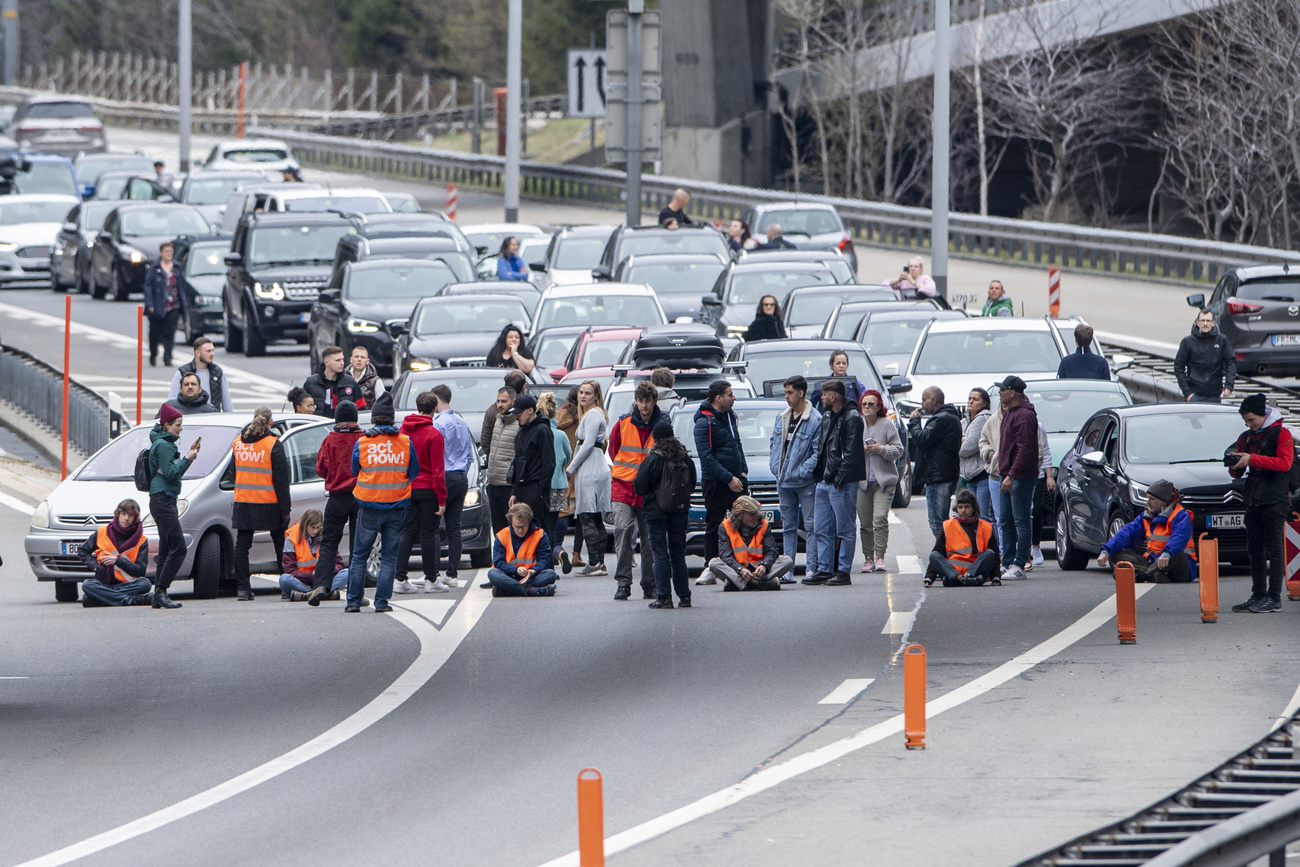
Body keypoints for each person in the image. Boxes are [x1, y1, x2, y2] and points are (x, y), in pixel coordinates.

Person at [347, 392, 419, 614]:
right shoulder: (406, 443)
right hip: (397, 507)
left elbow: (353, 470)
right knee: (389, 557)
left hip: (368, 507)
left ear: (374, 419)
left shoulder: (363, 443)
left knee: (360, 555)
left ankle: (353, 602)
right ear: (392, 419)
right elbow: (414, 473)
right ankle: (382, 603)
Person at [1228, 393, 1294, 613]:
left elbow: (1285, 464)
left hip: (1275, 499)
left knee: (1274, 548)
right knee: (1254, 549)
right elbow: (1237, 474)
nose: (1248, 425)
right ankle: (1258, 595)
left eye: (1251, 420)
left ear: (1263, 415)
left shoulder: (1282, 434)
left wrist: (1252, 459)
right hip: (1253, 499)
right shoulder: (1245, 437)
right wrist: (1234, 463)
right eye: (1245, 422)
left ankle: (1274, 597)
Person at [803, 379, 864, 585]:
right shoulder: (827, 415)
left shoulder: (852, 417)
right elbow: (822, 448)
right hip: (824, 481)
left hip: (842, 482)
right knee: (821, 527)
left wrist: (837, 479)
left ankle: (844, 571)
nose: (821, 398)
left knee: (845, 528)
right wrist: (820, 476)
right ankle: (825, 568)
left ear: (833, 396)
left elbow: (852, 454)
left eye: (824, 394)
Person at [307, 400, 366, 607]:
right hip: (360, 496)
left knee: (329, 542)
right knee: (358, 546)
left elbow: (320, 469)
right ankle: (355, 592)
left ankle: (320, 585)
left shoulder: (329, 440)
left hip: (336, 498)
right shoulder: (363, 438)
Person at [634, 419, 697, 608]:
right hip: (679, 511)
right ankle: (684, 596)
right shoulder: (684, 457)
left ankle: (664, 597)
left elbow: (639, 487)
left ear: (655, 437)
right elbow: (692, 482)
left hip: (656, 512)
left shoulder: (654, 458)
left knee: (660, 553)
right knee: (678, 554)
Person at [609, 380, 663, 599]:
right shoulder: (623, 423)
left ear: (654, 401)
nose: (644, 405)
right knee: (623, 531)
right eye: (640, 401)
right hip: (623, 487)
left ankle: (649, 583)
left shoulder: (661, 425)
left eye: (647, 401)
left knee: (650, 538)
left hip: (649, 491)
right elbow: (613, 451)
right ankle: (623, 582)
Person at [231, 406, 291, 602]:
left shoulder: (238, 443)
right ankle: (286, 587)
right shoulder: (273, 444)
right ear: (270, 423)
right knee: (280, 543)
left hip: (244, 501)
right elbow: (281, 482)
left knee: (242, 545)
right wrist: (285, 509)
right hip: (269, 502)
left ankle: (243, 589)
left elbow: (233, 472)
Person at [694, 380, 749, 585]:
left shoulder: (730, 417)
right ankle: (710, 566)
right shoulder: (704, 422)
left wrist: (743, 471)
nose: (733, 398)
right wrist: (728, 478)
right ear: (718, 398)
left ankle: (744, 565)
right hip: (716, 483)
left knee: (745, 523)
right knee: (714, 525)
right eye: (730, 394)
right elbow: (706, 457)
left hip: (738, 480)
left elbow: (737, 444)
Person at [394, 390, 448, 595]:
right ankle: (431, 579)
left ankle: (400, 577)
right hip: (428, 489)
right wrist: (441, 498)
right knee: (429, 533)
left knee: (407, 532)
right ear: (434, 408)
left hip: (407, 487)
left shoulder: (402, 432)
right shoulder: (434, 434)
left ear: (417, 407)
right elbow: (438, 471)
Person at [770, 375, 821, 582]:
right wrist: (775, 467)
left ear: (801, 393)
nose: (787, 397)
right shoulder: (782, 417)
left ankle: (811, 567)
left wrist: (802, 471)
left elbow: (818, 452)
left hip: (804, 482)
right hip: (783, 481)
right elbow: (774, 444)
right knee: (788, 527)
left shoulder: (815, 419)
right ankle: (787, 570)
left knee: (810, 526)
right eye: (785, 393)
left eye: (790, 392)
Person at [147, 403, 199, 609]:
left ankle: (159, 594)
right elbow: (171, 473)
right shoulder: (164, 446)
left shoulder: (162, 443)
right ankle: (160, 591)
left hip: (162, 499)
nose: (180, 428)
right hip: (163, 500)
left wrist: (187, 457)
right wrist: (188, 458)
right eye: (177, 424)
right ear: (166, 425)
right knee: (178, 548)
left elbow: (168, 471)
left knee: (167, 547)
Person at [1097, 479, 1196, 584]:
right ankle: (1154, 575)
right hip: (1154, 563)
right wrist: (1106, 551)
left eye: (1152, 499)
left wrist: (1167, 553)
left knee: (1176, 554)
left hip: (1180, 566)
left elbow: (1179, 536)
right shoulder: (1146, 516)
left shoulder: (1181, 515)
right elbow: (1127, 532)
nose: (1148, 502)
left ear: (1164, 501)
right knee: (1116, 554)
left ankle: (1143, 576)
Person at [995, 375, 1039, 581]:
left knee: (1021, 520)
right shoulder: (1009, 413)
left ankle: (1020, 563)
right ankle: (1007, 562)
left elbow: (1025, 450)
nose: (1000, 393)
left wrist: (1012, 474)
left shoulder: (1024, 416)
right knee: (1005, 520)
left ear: (1013, 393)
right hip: (1007, 475)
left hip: (1019, 476)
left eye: (1003, 390)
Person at [567, 379, 612, 577]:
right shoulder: (592, 414)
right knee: (594, 517)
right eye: (581, 392)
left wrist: (572, 467)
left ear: (596, 396)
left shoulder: (593, 415)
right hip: (594, 466)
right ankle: (599, 562)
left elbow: (588, 444)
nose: (583, 396)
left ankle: (594, 561)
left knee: (587, 515)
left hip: (591, 467)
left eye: (587, 393)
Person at [431, 384, 473, 584]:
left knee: (434, 526)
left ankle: (434, 573)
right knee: (454, 527)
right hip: (460, 477)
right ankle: (452, 574)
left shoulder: (438, 423)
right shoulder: (461, 422)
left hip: (444, 476)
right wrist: (462, 471)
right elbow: (470, 456)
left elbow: (436, 454)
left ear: (437, 400)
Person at [858, 389, 904, 573]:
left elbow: (898, 449)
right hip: (862, 482)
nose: (867, 407)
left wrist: (881, 449)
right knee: (865, 522)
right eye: (864, 404)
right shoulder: (857, 424)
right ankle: (868, 558)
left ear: (879, 406)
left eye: (871, 404)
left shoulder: (886, 425)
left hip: (884, 480)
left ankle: (880, 557)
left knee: (879, 518)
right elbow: (846, 449)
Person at [908, 386, 962, 538]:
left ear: (933, 400)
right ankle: (946, 554)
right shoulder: (947, 417)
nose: (922, 403)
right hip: (941, 474)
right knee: (940, 521)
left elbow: (922, 439)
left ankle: (946, 555)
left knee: (937, 522)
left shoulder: (942, 418)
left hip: (939, 476)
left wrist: (914, 421)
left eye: (924, 399)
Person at [708, 495, 792, 592]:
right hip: (738, 571)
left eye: (756, 513)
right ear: (739, 515)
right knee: (713, 563)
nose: (756, 516)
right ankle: (761, 584)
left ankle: (739, 584)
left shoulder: (764, 524)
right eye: (751, 514)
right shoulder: (725, 526)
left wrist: (764, 565)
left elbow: (772, 551)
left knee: (787, 560)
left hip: (760, 570)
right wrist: (740, 569)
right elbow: (725, 555)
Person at [78, 499, 152, 607]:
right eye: (123, 514)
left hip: (128, 583)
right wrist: (95, 567)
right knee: (87, 585)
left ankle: (100, 599)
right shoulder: (102, 532)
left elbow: (140, 571)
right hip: (105, 583)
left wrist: (118, 560)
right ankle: (132, 600)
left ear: (135, 518)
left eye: (130, 515)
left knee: (145, 584)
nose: (126, 518)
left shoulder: (142, 540)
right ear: (118, 514)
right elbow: (82, 551)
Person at [507, 393, 557, 541]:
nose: (516, 416)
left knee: (539, 530)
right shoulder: (521, 431)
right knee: (522, 530)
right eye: (514, 413)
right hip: (522, 488)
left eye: (519, 412)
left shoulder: (542, 430)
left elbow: (549, 463)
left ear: (530, 410)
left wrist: (540, 490)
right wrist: (514, 491)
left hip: (535, 488)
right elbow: (517, 462)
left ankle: (547, 561)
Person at [925, 489, 1001, 587]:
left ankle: (962, 578)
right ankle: (961, 579)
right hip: (954, 570)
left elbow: (995, 556)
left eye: (967, 507)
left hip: (976, 569)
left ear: (974, 508)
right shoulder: (948, 526)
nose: (963, 510)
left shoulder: (986, 527)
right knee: (934, 555)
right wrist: (929, 577)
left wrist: (996, 577)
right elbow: (938, 552)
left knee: (990, 553)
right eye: (960, 507)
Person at [487, 502, 558, 597]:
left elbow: (545, 560)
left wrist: (533, 571)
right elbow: (498, 562)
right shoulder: (502, 536)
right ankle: (530, 590)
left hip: (531, 576)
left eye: (524, 526)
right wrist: (516, 570)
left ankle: (506, 590)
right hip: (509, 575)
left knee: (550, 574)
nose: (520, 530)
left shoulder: (540, 534)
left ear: (529, 521)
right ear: (511, 522)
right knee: (492, 573)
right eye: (517, 527)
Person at [536, 393, 573, 567]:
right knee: (553, 523)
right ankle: (554, 553)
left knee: (540, 525)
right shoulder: (560, 435)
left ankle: (545, 561)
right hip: (558, 485)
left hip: (541, 486)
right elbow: (568, 456)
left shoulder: (538, 432)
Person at [280, 510, 349, 601]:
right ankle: (321, 594)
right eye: (312, 527)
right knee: (284, 579)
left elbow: (339, 564)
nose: (315, 531)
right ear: (305, 525)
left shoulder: (327, 537)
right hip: (302, 581)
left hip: (324, 581)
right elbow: (289, 570)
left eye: (318, 527)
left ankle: (308, 595)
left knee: (348, 573)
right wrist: (310, 575)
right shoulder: (292, 538)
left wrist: (324, 573)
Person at [1175, 309, 1236, 403]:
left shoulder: (1222, 340)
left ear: (1213, 323)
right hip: (1195, 395)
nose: (1205, 323)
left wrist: (1229, 385)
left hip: (1215, 395)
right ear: (1197, 323)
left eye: (1208, 321)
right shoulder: (1188, 342)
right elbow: (1178, 366)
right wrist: (1187, 393)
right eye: (1202, 321)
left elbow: (1231, 362)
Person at [554, 387, 584, 572]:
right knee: (581, 515)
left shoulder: (558, 420)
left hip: (560, 476)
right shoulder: (585, 419)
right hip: (580, 474)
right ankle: (576, 554)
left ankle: (556, 548)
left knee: (560, 514)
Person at [143, 241, 187, 367]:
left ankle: (168, 358)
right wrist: (150, 304)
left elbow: (181, 286)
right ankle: (153, 354)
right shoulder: (154, 269)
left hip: (174, 305)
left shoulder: (177, 268)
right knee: (155, 333)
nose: (169, 254)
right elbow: (148, 286)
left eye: (171, 252)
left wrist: (183, 304)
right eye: (166, 251)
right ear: (161, 253)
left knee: (169, 332)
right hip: (157, 306)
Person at [484, 386, 520, 534]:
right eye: (498, 401)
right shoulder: (498, 420)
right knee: (498, 529)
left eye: (504, 401)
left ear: (513, 401)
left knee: (512, 527)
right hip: (493, 483)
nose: (500, 405)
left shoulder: (518, 424)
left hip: (507, 485)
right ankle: (500, 557)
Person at [169, 336, 232, 413]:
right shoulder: (182, 372)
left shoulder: (218, 372)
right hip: (189, 417)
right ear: (197, 353)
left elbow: (226, 401)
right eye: (208, 351)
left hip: (212, 417)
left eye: (213, 351)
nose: (212, 354)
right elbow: (172, 400)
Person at [304, 345, 365, 419]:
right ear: (327, 362)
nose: (342, 363)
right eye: (338, 360)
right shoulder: (311, 383)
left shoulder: (350, 382)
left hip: (343, 428)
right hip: (318, 427)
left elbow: (362, 410)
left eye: (342, 359)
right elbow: (302, 410)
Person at [960, 388, 994, 521]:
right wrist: (962, 439)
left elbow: (967, 448)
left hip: (982, 474)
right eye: (969, 398)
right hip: (969, 476)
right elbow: (955, 442)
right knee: (971, 516)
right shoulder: (965, 420)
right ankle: (975, 542)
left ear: (984, 403)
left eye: (975, 399)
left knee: (983, 515)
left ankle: (989, 542)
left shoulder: (983, 419)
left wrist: (962, 439)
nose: (971, 402)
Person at [1028, 421, 1056, 570]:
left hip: (1036, 474)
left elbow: (1045, 450)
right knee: (1019, 513)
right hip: (1016, 474)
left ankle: (1036, 546)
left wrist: (1049, 476)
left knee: (1036, 510)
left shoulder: (1037, 426)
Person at [481, 370, 529, 448]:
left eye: (504, 401)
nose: (500, 405)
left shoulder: (492, 410)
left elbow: (485, 440)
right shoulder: (529, 410)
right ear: (523, 387)